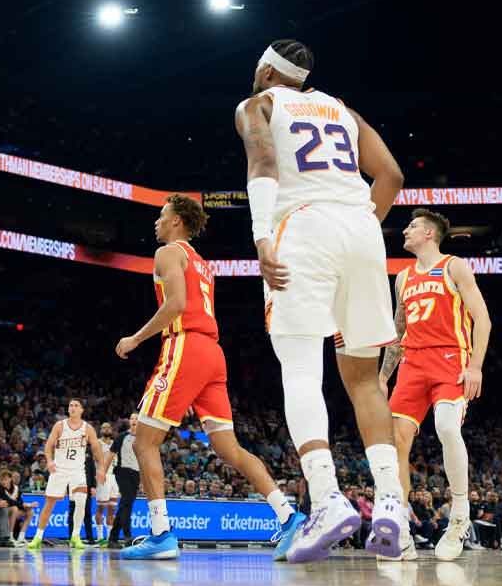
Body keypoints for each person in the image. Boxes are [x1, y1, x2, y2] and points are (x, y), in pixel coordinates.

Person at [234, 39, 408, 563]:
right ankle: (392, 505)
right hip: (361, 231)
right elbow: (392, 175)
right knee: (363, 379)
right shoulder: (342, 109)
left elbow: (263, 161)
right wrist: (357, 226)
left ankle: (328, 498)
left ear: (266, 70)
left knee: (302, 371)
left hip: (302, 228)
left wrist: (262, 236)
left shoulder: (258, 105)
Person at [115, 196, 306, 561]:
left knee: (144, 441)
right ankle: (287, 514)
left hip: (185, 345)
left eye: (161, 215)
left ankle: (160, 535)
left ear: (176, 221)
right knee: (228, 449)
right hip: (213, 355)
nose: (156, 221)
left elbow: (175, 305)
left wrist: (136, 339)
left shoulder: (169, 252)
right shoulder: (203, 264)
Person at [377, 208, 492, 562]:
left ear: (429, 234)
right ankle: (401, 530)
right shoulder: (402, 278)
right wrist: (383, 375)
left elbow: (483, 319)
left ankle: (459, 517)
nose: (405, 232)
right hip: (412, 364)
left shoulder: (455, 266)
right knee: (395, 442)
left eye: (412, 227)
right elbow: (399, 331)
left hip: (450, 360)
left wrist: (475, 367)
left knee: (445, 426)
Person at [27, 400, 109, 551]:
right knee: (49, 503)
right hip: (60, 470)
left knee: (81, 500)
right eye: (71, 405)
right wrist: (50, 461)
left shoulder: (87, 428)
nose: (73, 407)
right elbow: (48, 445)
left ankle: (75, 536)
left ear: (82, 410)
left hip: (77, 470)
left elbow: (97, 449)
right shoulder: (60, 426)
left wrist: (102, 469)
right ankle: (37, 537)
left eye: (76, 405)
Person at [106, 419, 140, 547]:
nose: (134, 421)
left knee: (125, 505)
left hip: (136, 473)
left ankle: (113, 539)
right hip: (122, 471)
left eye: (137, 419)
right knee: (126, 502)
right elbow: (110, 454)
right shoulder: (122, 437)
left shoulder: (143, 438)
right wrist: (103, 472)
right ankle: (127, 536)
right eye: (132, 418)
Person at [0, 469, 28, 545]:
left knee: (30, 511)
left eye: (6, 479)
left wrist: (26, 506)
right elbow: (8, 502)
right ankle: (10, 536)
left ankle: (21, 537)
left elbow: (20, 501)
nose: (4, 481)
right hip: (1, 512)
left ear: (10, 479)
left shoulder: (16, 488)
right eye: (2, 480)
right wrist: (23, 505)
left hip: (12, 511)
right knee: (14, 508)